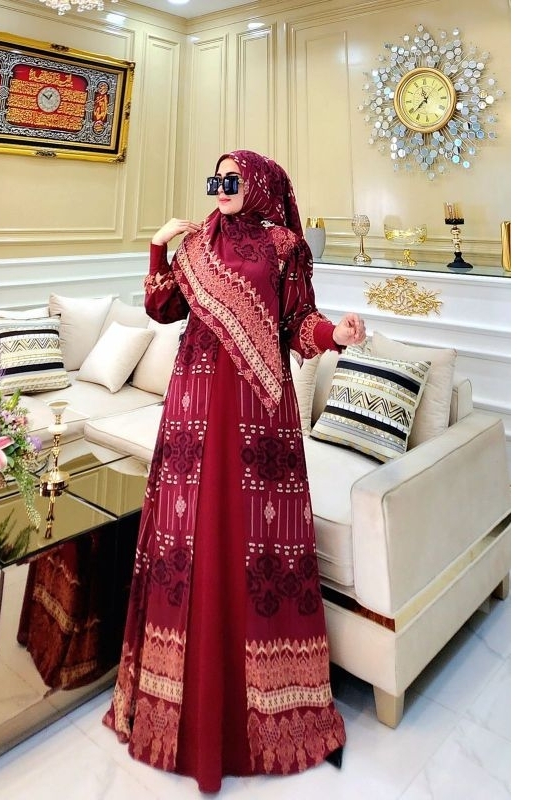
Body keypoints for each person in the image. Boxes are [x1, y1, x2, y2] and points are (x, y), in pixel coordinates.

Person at [102, 149, 367, 793]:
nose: (220, 189)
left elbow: (297, 323)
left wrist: (335, 336)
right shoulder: (196, 242)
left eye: (232, 179)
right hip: (192, 408)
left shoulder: (283, 246)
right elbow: (163, 309)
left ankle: (268, 713)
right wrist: (158, 247)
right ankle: (178, 713)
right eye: (215, 179)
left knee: (253, 545)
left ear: (261, 185)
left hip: (257, 415)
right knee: (190, 540)